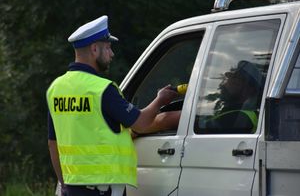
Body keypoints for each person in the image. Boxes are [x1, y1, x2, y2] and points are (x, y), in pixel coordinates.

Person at [46, 15, 179, 196]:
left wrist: (64, 184)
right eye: (108, 48)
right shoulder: (102, 89)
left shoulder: (56, 88)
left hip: (72, 188)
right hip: (102, 189)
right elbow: (141, 123)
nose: (112, 54)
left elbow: (53, 143)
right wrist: (160, 100)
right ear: (94, 49)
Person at [203, 60, 265, 134]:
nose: (228, 82)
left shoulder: (238, 117)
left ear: (249, 89)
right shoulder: (230, 111)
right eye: (230, 77)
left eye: (235, 78)